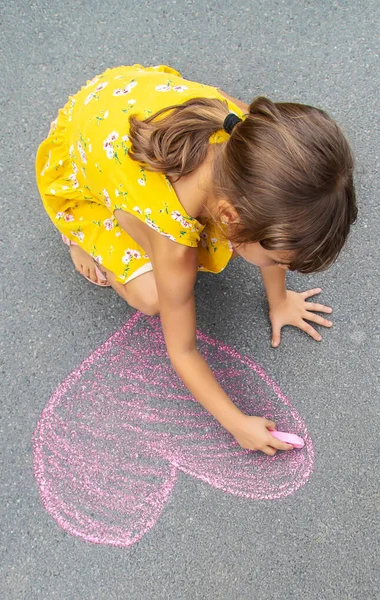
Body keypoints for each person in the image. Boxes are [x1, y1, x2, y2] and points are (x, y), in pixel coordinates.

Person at [36, 64, 357, 455]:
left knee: (261, 228)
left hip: (122, 96)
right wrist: (236, 423)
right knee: (153, 296)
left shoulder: (253, 136)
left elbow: (272, 233)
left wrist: (280, 299)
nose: (280, 265)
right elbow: (182, 350)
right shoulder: (174, 241)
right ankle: (80, 233)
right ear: (228, 217)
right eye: (279, 257)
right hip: (82, 154)